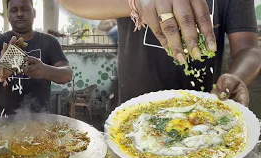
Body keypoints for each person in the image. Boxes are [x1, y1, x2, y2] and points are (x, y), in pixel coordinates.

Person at [57, 0, 261, 107]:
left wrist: (237, 76)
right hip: (131, 115)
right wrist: (137, 3)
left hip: (201, 114)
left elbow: (248, 48)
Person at [0, 0, 72, 115]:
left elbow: (67, 74)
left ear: (34, 13)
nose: (19, 14)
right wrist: (0, 71)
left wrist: (45, 70)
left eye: (24, 9)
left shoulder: (49, 42)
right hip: (4, 122)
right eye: (14, 10)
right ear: (8, 16)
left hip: (41, 122)